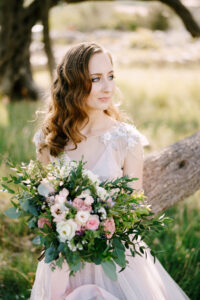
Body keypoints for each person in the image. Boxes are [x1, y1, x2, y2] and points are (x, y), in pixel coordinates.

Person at [30, 42, 189, 300]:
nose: (108, 87)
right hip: (64, 253)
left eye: (111, 76)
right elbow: (46, 198)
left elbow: (133, 204)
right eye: (95, 79)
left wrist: (106, 219)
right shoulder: (50, 139)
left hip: (115, 257)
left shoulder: (125, 139)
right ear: (73, 83)